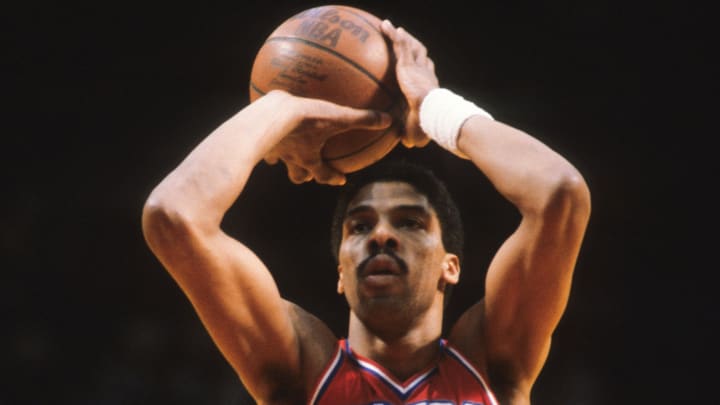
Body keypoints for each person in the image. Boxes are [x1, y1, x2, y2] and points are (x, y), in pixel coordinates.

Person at [142, 18, 591, 405]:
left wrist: (435, 107)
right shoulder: (301, 373)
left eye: (410, 222)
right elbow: (174, 215)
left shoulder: (493, 363)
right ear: (339, 271)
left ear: (450, 267)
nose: (381, 235)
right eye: (359, 226)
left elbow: (560, 195)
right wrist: (282, 107)